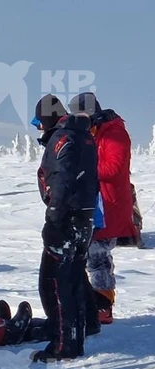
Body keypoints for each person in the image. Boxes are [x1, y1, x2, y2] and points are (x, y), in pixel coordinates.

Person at [31, 94, 99, 362]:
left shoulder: (63, 138)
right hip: (84, 217)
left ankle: (64, 345)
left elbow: (63, 177)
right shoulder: (82, 135)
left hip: (67, 218)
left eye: (38, 121)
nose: (38, 127)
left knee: (56, 283)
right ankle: (78, 333)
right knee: (73, 279)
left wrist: (55, 214)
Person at [69, 92, 138, 324]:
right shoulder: (95, 132)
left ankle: (103, 305)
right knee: (89, 254)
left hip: (110, 205)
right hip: (96, 204)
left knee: (98, 255)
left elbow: (114, 169)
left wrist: (82, 169)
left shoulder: (114, 134)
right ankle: (94, 303)